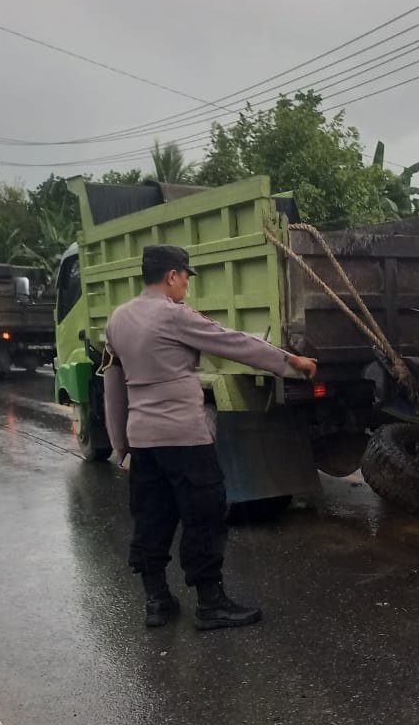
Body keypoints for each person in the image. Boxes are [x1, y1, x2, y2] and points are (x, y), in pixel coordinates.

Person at [102, 244, 318, 630]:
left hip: (144, 441)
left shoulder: (117, 319)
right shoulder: (174, 316)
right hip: (185, 438)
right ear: (171, 275)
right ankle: (211, 603)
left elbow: (113, 384)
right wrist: (289, 362)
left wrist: (121, 445)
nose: (186, 284)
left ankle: (157, 601)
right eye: (185, 276)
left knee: (151, 517)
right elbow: (233, 342)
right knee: (202, 516)